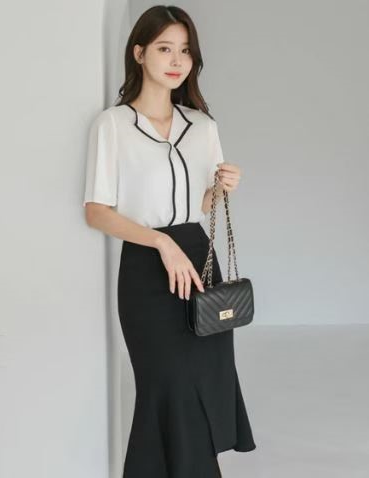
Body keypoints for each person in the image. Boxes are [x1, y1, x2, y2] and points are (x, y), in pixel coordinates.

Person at [83, 5, 256, 477]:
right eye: (164, 48)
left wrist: (222, 187)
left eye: (185, 50)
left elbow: (200, 206)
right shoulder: (113, 125)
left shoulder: (203, 126)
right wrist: (161, 244)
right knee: (167, 386)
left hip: (199, 262)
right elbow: (97, 211)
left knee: (201, 384)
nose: (177, 60)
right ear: (139, 53)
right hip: (147, 269)